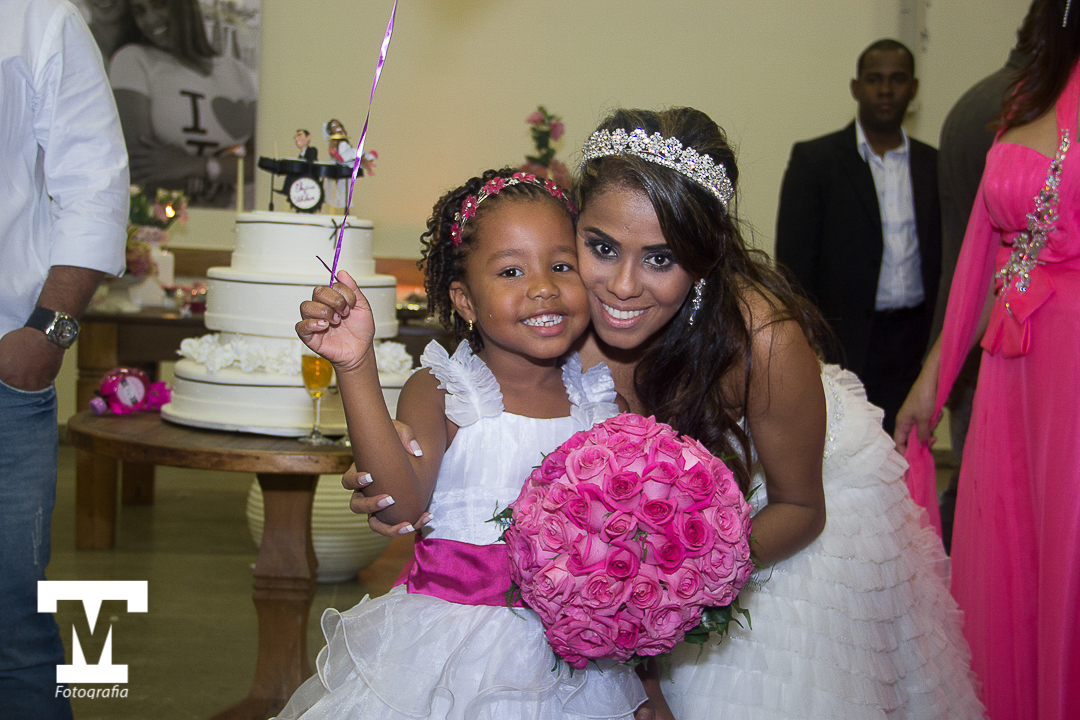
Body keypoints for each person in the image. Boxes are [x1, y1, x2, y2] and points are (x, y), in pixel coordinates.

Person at [351, 108, 985, 719]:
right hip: (624, 556)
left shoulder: (761, 342)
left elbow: (803, 506)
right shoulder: (558, 321)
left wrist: (672, 573)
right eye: (600, 247)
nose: (623, 286)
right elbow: (488, 430)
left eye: (661, 258)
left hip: (767, 528)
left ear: (703, 259)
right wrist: (408, 452)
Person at [277, 167, 647, 719]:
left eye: (561, 265)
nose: (543, 285)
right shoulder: (445, 389)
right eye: (512, 270)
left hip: (577, 662)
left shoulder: (600, 399)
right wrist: (356, 365)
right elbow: (402, 505)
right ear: (466, 301)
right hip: (449, 658)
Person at [896, 1, 1080, 716]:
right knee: (1011, 550)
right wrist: (930, 381)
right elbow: (981, 260)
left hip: (1069, 367)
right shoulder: (1025, 97)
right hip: (1010, 365)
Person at [0, 0, 128, 717]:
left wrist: (47, 336)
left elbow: (94, 181)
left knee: (11, 626)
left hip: (2, 373)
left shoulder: (35, 16)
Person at [775, 39, 942, 439]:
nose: (886, 90)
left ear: (914, 88)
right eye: (875, 79)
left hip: (915, 340)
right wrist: (807, 343)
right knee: (851, 452)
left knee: (908, 451)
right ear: (856, 87)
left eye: (897, 79)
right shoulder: (816, 161)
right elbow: (794, 264)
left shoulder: (933, 164)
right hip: (843, 341)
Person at [933, 37, 1030, 553]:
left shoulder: (972, 103)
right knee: (999, 498)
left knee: (981, 486)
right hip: (1008, 336)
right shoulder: (1016, 111)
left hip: (965, 327)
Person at [109, 0, 256, 207]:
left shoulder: (238, 73)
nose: (150, 20)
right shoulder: (132, 61)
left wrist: (198, 167)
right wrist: (222, 174)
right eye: (139, 10)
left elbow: (261, 163)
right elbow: (140, 167)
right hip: (161, 225)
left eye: (159, 5)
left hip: (232, 225)